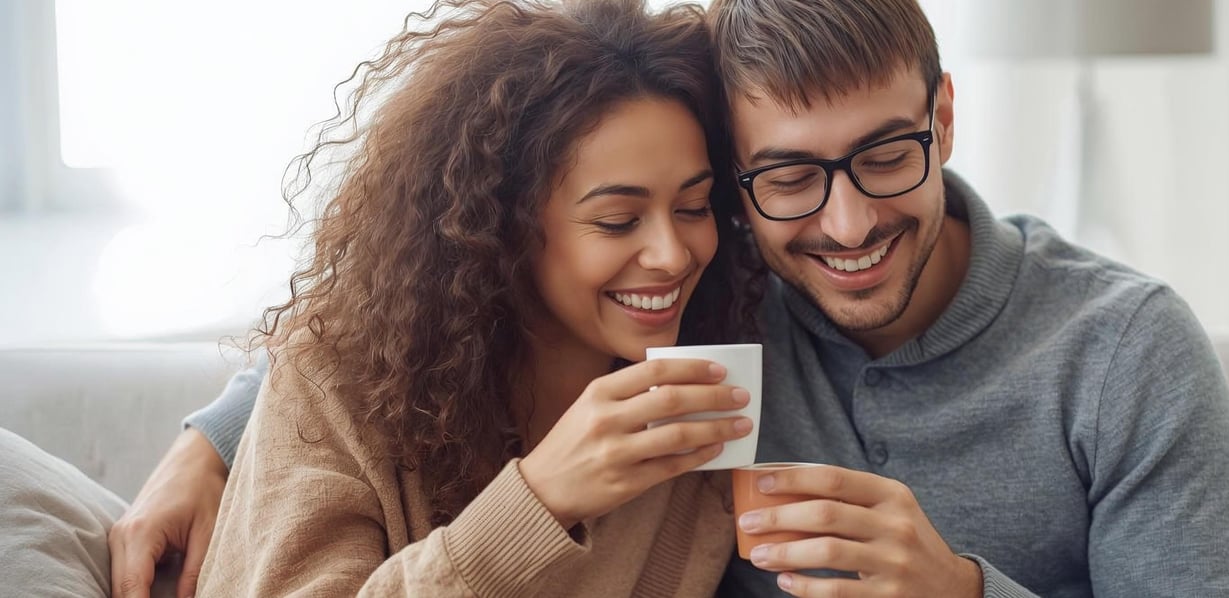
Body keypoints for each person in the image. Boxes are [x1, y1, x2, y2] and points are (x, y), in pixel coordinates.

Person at [111, 0, 1229, 596]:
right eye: (788, 177)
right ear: (742, 175)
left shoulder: (1124, 351)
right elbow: (406, 310)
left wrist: (961, 592)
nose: (847, 225)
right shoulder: (717, 317)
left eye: (886, 155)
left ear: (945, 118)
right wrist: (212, 437)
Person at [125, 0, 765, 595]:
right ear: (500, 225)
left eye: (693, 206)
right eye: (617, 221)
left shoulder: (710, 387)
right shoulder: (335, 392)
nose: (672, 255)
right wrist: (539, 500)